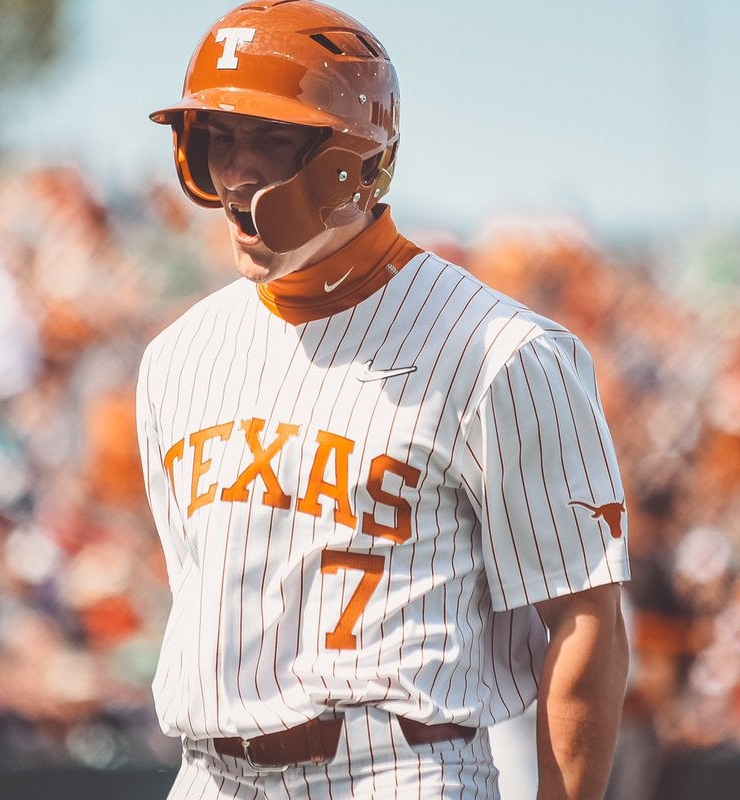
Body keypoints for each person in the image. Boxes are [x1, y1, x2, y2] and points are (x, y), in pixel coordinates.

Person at [136, 2, 630, 797]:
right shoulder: (175, 357)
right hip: (208, 775)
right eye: (217, 138)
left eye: (269, 138)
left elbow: (585, 622)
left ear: (350, 157)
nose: (236, 171)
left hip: (395, 768)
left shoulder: (502, 352)